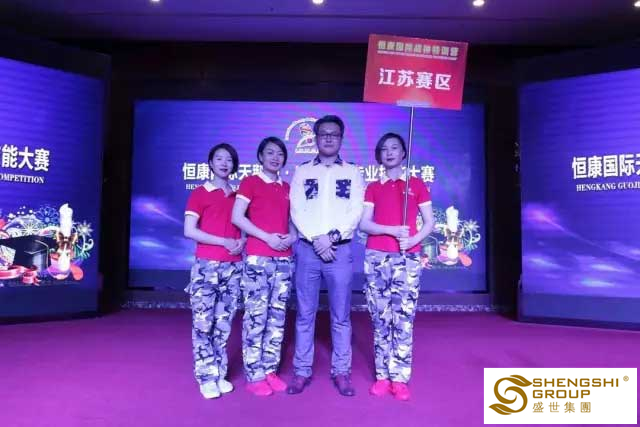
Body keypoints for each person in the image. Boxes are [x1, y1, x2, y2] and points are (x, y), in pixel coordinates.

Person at [287, 115, 365, 397]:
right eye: (324, 134)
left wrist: (330, 238)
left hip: (339, 250)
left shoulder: (353, 172)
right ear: (316, 138)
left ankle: (341, 371)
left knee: (341, 315)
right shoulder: (302, 171)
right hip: (308, 250)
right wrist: (315, 239)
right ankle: (301, 371)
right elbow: (296, 209)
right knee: (304, 314)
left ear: (341, 139)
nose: (329, 138)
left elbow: (356, 210)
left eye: (334, 134)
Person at [359, 132, 434, 401]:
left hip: (407, 258)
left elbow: (429, 223)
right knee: (380, 318)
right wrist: (391, 230)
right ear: (378, 156)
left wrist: (412, 240)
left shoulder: (416, 184)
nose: (389, 153)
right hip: (377, 257)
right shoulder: (372, 187)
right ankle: (382, 375)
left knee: (403, 319)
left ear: (404, 154)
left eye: (395, 148)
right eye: (384, 149)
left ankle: (399, 378)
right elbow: (364, 224)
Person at [232, 137, 297, 397]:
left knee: (277, 316)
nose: (275, 157)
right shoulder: (250, 182)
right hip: (258, 258)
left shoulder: (287, 187)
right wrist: (266, 237)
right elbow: (237, 217)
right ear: (260, 157)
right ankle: (254, 374)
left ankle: (270, 369)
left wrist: (291, 237)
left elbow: (291, 222)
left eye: (280, 153)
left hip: (284, 259)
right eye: (270, 153)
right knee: (256, 316)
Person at [183, 143, 246, 399]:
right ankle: (206, 377)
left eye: (229, 159)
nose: (224, 163)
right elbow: (189, 230)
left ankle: (219, 374)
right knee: (203, 323)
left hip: (234, 267)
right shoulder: (200, 193)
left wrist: (241, 242)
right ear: (210, 163)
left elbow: (242, 228)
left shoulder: (238, 196)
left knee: (223, 324)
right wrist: (224, 242)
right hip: (206, 267)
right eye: (219, 158)